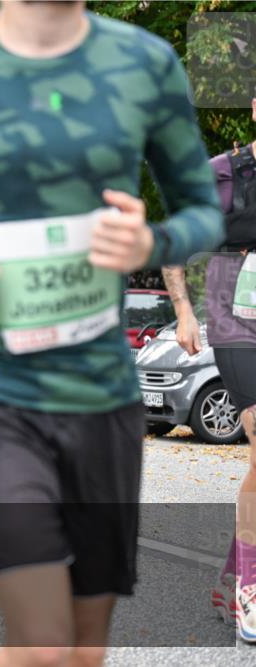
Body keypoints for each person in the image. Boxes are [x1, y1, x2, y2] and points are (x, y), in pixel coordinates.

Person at [0, 2, 224, 664]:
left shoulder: (143, 62)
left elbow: (202, 209)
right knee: (46, 641)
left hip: (100, 393)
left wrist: (153, 238)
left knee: (83, 650)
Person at [162, 90, 256, 642]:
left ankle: (234, 574)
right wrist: (183, 311)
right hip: (237, 320)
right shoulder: (224, 175)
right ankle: (250, 588)